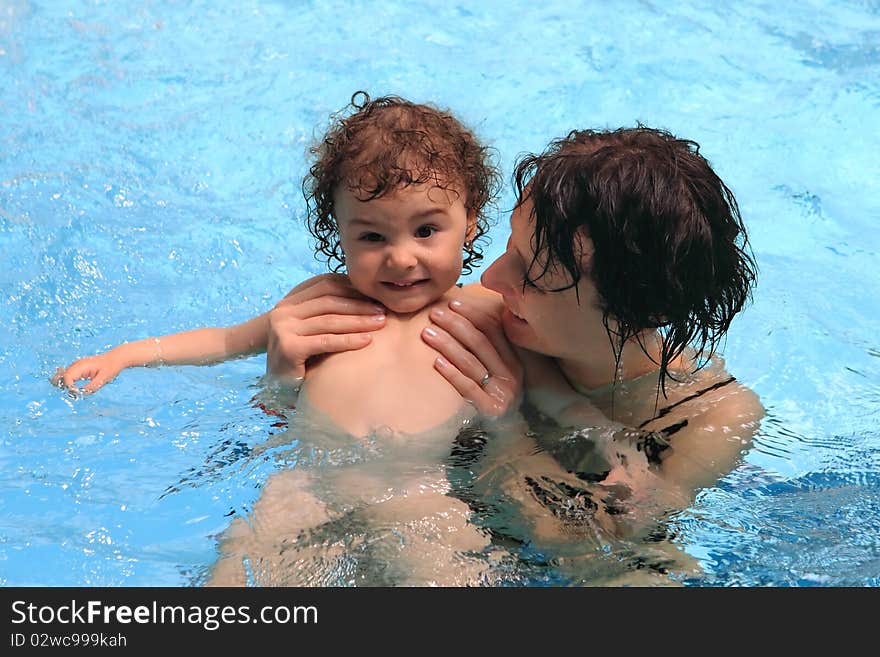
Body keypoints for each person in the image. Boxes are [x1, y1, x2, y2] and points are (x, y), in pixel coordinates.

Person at [53, 93, 522, 585]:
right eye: (371, 238)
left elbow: (562, 374)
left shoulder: (486, 307)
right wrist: (127, 354)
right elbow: (226, 341)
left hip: (420, 491)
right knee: (238, 577)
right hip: (304, 487)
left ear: (468, 224)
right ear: (338, 232)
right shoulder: (316, 303)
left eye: (426, 230)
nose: (401, 259)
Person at [271, 126, 765, 583]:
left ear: (635, 311)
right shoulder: (482, 322)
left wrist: (507, 432)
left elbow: (595, 557)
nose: (489, 279)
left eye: (532, 274)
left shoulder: (710, 418)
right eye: (510, 247)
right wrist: (285, 379)